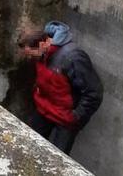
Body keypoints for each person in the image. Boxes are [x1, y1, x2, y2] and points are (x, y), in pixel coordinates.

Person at [19, 21, 103, 154]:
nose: (29, 58)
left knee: (58, 160)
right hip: (44, 109)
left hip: (65, 119)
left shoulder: (73, 58)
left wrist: (75, 117)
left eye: (31, 54)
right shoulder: (43, 54)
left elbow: (94, 92)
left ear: (43, 44)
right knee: (30, 148)